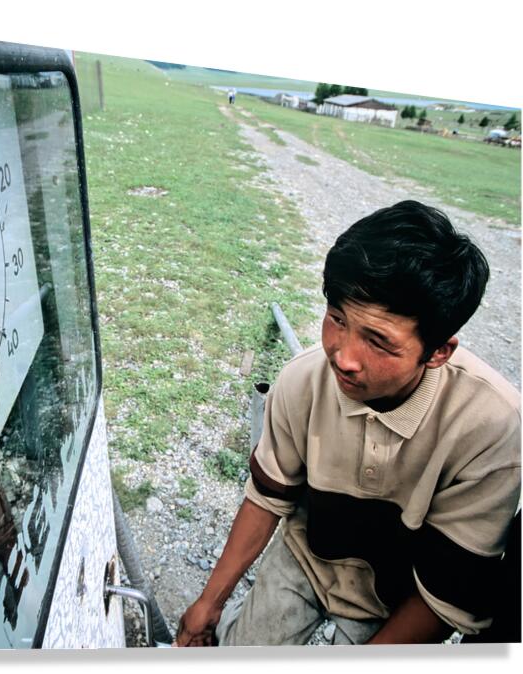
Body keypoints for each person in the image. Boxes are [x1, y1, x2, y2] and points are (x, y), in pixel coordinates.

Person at [176, 200, 521, 646]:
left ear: (438, 351)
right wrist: (209, 603)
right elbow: (268, 496)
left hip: (399, 596)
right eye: (337, 319)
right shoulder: (303, 379)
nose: (343, 356)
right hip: (306, 557)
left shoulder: (493, 429)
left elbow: (445, 593)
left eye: (378, 341)